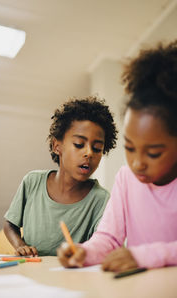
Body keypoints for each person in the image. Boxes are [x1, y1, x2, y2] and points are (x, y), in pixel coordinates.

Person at [57, 40, 177, 271]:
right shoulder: (126, 178)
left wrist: (146, 255)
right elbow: (109, 239)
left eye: (153, 153)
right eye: (130, 148)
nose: (137, 164)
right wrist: (84, 251)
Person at [3, 96, 117, 256]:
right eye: (79, 144)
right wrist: (20, 245)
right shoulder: (32, 182)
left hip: (70, 277)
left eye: (97, 148)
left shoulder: (101, 199)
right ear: (57, 146)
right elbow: (10, 224)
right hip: (30, 273)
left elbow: (102, 244)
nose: (89, 153)